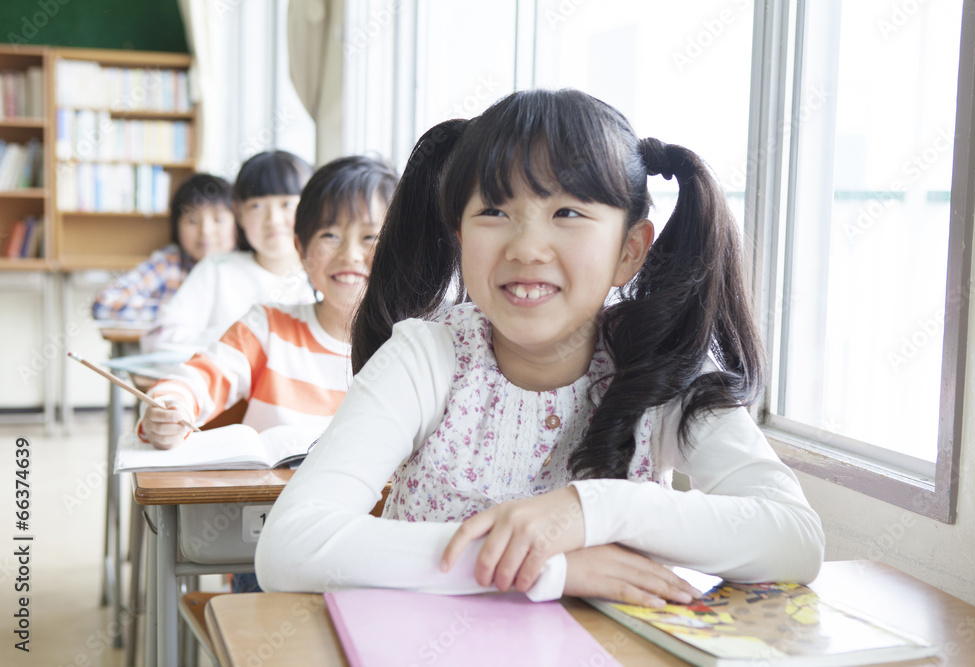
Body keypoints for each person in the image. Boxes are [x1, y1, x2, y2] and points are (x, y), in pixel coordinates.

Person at [255, 89, 825, 606]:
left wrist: (590, 511)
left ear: (630, 249)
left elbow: (795, 539)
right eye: (494, 212)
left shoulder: (664, 368)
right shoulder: (427, 356)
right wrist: (545, 567)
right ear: (460, 237)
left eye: (568, 213)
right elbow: (290, 546)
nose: (527, 247)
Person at [138, 155, 398, 447]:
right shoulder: (264, 327)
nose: (349, 255)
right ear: (301, 249)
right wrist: (172, 406)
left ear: (399, 248)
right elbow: (198, 379)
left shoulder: (410, 345)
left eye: (370, 236)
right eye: (330, 235)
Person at [142, 150, 316, 352]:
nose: (273, 220)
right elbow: (159, 341)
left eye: (287, 204)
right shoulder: (216, 269)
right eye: (257, 206)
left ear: (311, 208)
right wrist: (240, 337)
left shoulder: (326, 277)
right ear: (239, 213)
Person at [91, 173, 237, 323]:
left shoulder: (245, 265)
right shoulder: (169, 263)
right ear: (176, 226)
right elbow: (103, 304)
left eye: (218, 219)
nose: (206, 231)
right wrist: (176, 310)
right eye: (192, 220)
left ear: (238, 223)